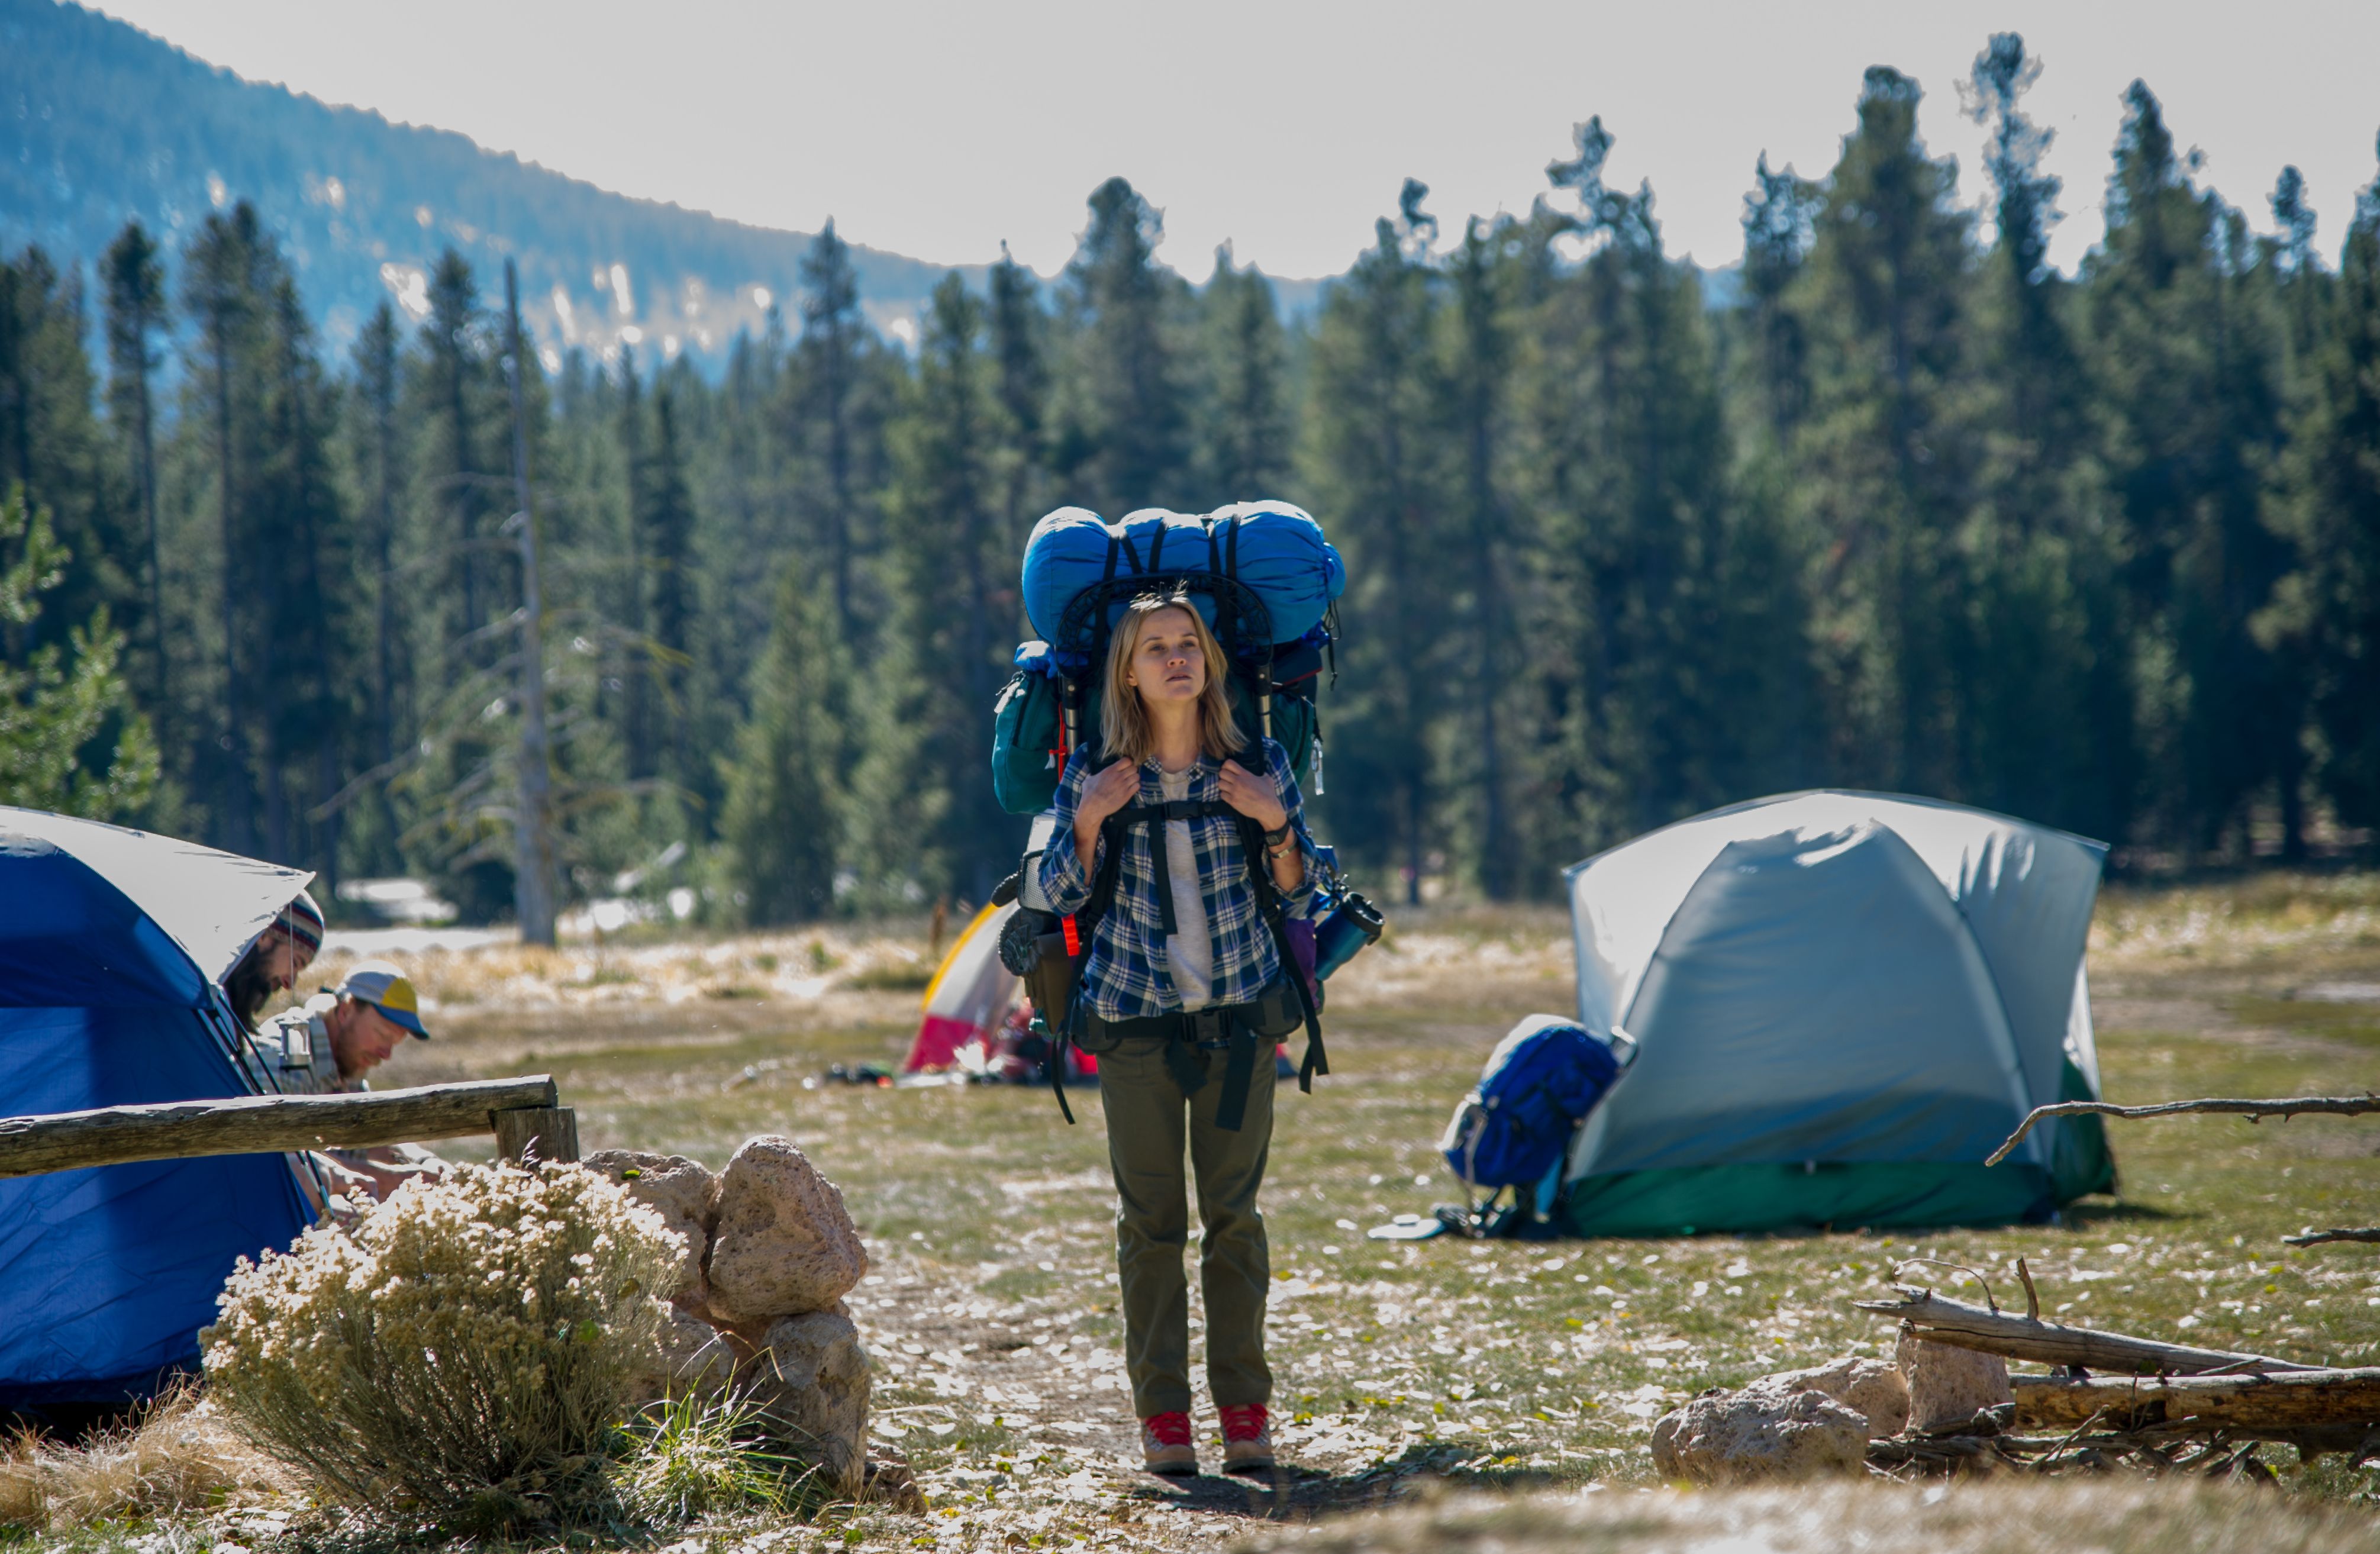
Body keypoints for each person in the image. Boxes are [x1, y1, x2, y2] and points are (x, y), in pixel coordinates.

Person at [1036, 588, 1320, 1477]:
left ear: (1209, 660)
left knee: (1233, 1220)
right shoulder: (1095, 770)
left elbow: (1302, 889)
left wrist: (1274, 819)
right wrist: (1086, 819)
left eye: (1186, 643)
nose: (1174, 658)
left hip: (1240, 1022)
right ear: (1127, 670)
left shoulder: (1254, 757)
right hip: (1133, 1028)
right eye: (1154, 646)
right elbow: (1054, 894)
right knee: (1150, 1223)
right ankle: (1163, 1417)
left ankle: (1244, 1409)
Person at [244, 959, 446, 1205]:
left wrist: (424, 1163)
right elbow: (286, 1162)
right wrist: (390, 1179)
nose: (387, 1055)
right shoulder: (284, 1053)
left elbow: (371, 1137)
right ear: (346, 1011)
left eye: (394, 1043)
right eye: (382, 1035)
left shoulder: (345, 1062)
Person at [222, 888, 325, 1030]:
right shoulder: (205, 1000)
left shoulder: (223, 1011)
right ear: (264, 936)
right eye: (295, 962)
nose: (289, 984)